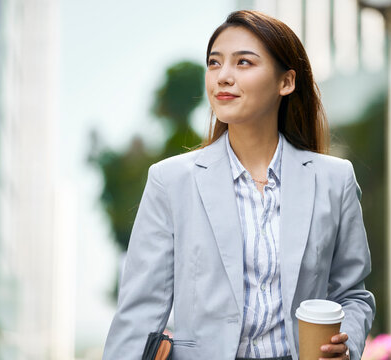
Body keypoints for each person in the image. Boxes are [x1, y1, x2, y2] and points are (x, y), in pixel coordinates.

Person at [103, 10, 375, 360]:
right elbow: (138, 316)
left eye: (243, 63)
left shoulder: (334, 180)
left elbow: (352, 294)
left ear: (286, 82)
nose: (223, 77)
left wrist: (346, 343)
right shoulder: (170, 182)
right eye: (214, 64)